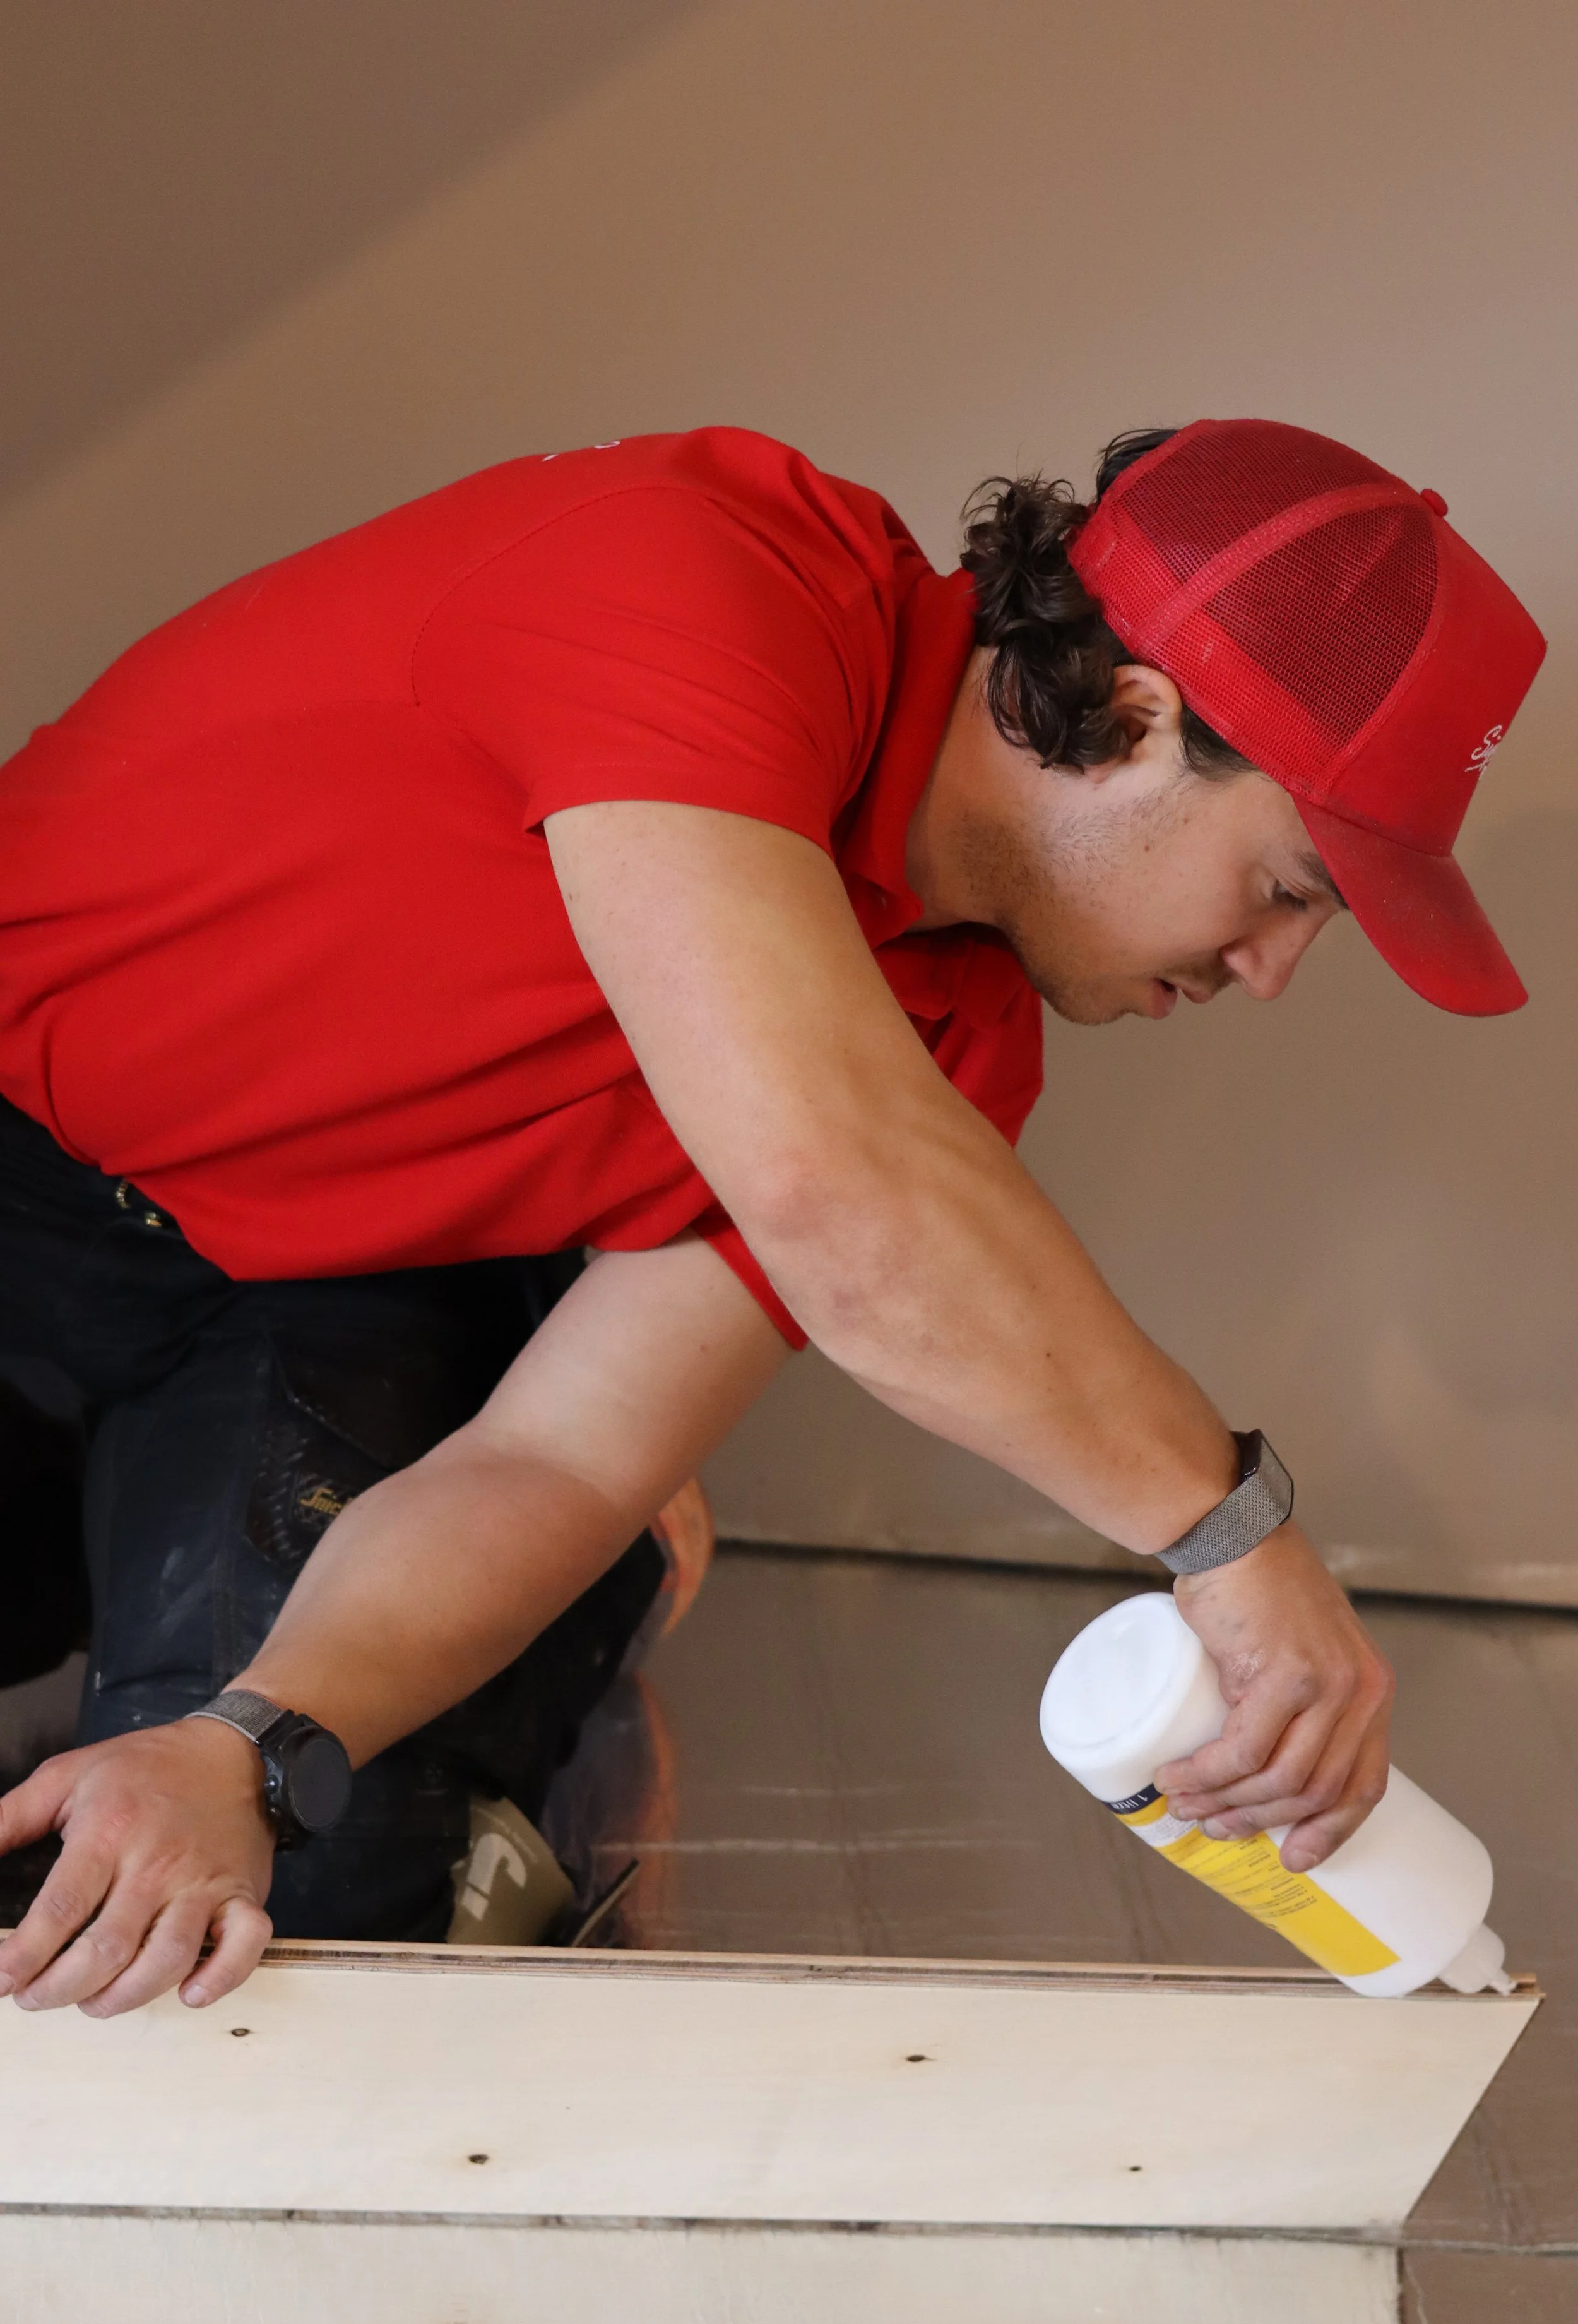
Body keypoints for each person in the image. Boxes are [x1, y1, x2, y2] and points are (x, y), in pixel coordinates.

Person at [0, 417, 1545, 2019]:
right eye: (1292, 890)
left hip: (310, 1287)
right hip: (17, 1141)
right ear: (1137, 719)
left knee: (267, 1905)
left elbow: (564, 1455)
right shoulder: (704, 575)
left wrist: (236, 1745)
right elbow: (841, 1212)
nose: (1270, 972)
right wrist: (1231, 1532)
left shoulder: (949, 1049)